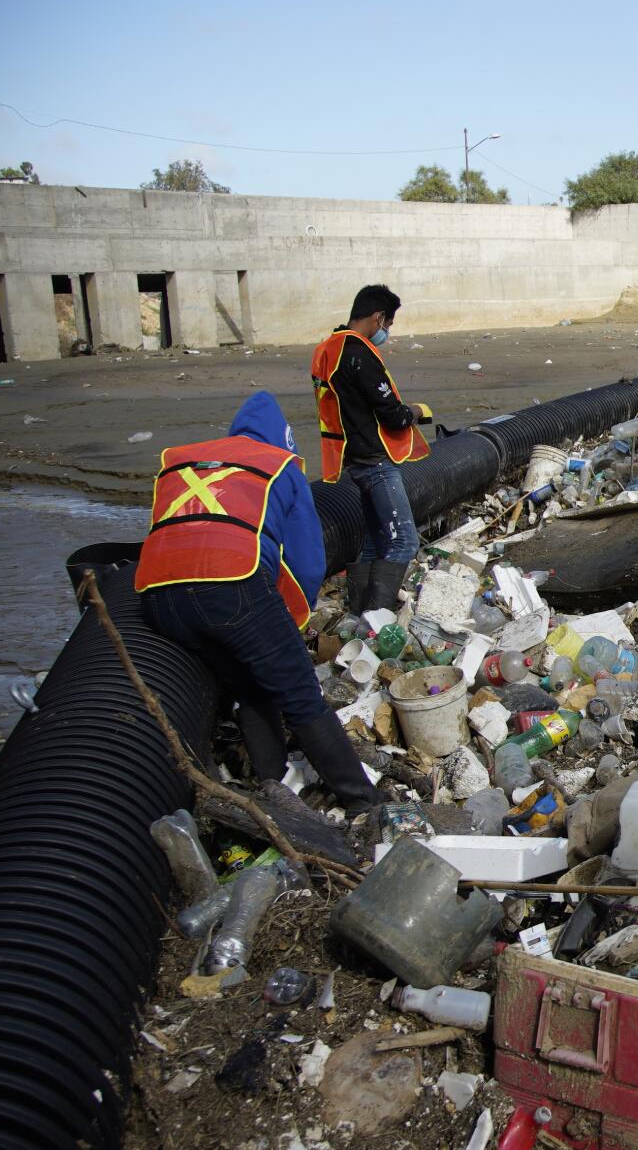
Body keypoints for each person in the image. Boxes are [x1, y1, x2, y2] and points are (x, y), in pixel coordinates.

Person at [135, 391, 379, 810]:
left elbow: (174, 533)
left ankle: (274, 783)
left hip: (156, 599)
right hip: (232, 587)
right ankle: (365, 803)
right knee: (300, 692)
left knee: (250, 681)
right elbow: (305, 562)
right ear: (283, 440)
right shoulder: (279, 466)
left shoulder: (181, 460)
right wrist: (290, 625)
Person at [311, 284, 434, 615]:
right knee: (403, 541)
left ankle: (357, 615)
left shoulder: (329, 349)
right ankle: (374, 623)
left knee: (371, 542)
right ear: (378, 317)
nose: (387, 332)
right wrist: (417, 412)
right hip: (375, 462)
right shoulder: (358, 353)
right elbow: (392, 415)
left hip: (351, 459)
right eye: (389, 324)